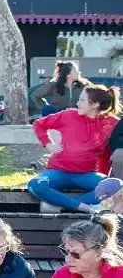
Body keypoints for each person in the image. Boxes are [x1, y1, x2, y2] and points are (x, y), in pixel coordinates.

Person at [27, 84, 121, 214]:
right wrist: (48, 144)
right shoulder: (68, 115)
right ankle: (86, 208)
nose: (77, 103)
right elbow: (39, 124)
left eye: (82, 100)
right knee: (35, 184)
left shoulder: (112, 123)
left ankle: (61, 206)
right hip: (58, 171)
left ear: (95, 105)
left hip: (88, 174)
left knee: (117, 188)